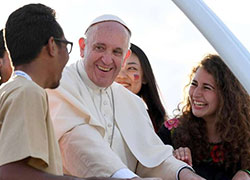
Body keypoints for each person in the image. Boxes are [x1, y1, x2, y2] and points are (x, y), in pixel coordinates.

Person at [47, 14, 205, 180]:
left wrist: (184, 174)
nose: (107, 60)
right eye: (99, 47)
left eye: (116, 52)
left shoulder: (133, 103)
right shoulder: (57, 83)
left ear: (125, 57)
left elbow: (153, 157)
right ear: (82, 47)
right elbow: (76, 143)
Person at [0, 4, 119, 180]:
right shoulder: (28, 92)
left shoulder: (9, 90)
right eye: (66, 45)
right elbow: (10, 173)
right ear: (52, 46)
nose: (68, 57)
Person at [158, 54, 250, 180]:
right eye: (194, 84)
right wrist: (175, 163)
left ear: (227, 95)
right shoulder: (171, 132)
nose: (196, 94)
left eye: (206, 87)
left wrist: (246, 173)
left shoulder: (247, 133)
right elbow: (151, 166)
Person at [115, 43, 167, 133]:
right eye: (117, 67)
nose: (122, 76)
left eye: (131, 68)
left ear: (145, 77)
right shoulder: (92, 113)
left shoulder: (158, 125)